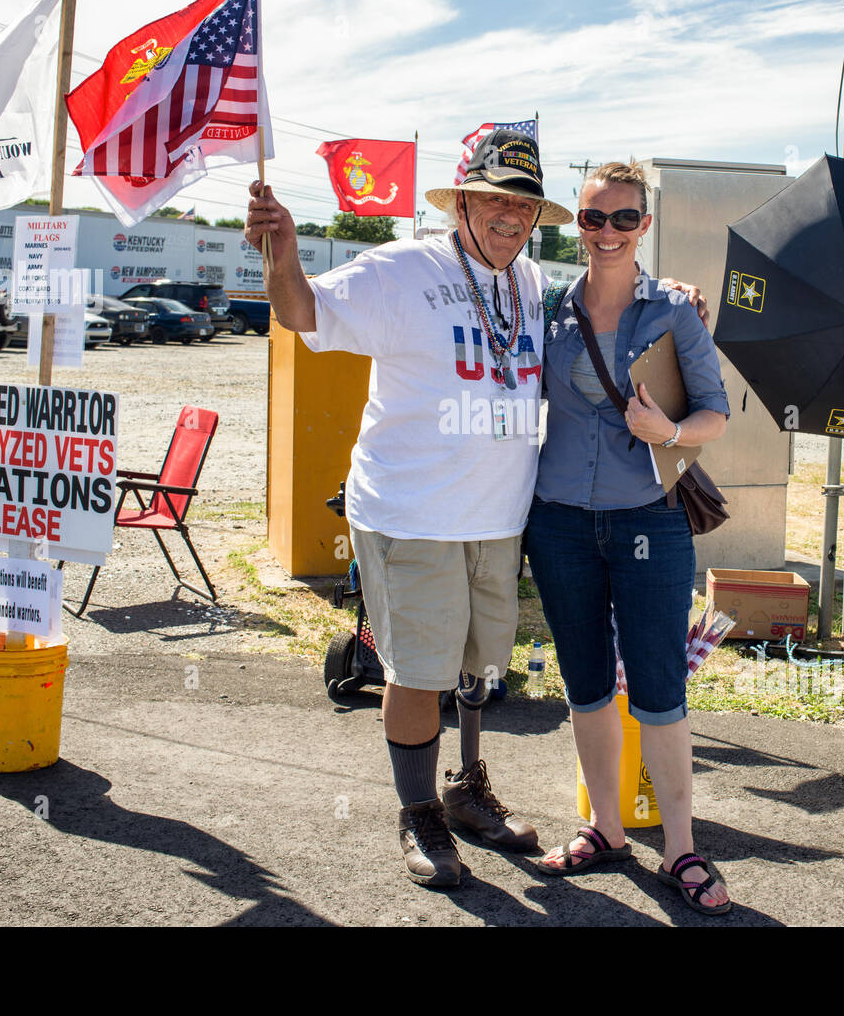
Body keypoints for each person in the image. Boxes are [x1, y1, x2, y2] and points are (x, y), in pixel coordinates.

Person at [244, 129, 575, 888]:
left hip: (497, 517)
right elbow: (302, 311)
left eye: (523, 204)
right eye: (493, 199)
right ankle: (418, 813)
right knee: (416, 672)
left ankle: (466, 787)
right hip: (412, 514)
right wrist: (281, 250)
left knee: (479, 668)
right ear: (460, 201)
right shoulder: (402, 268)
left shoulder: (527, 280)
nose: (509, 216)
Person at [525, 161, 734, 915]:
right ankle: (605, 830)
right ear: (575, 224)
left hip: (649, 517)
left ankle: (680, 846)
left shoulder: (673, 310)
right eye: (592, 218)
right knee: (584, 686)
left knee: (658, 692)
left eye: (622, 219)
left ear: (644, 225)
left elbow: (715, 412)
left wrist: (668, 430)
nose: (606, 231)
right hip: (557, 522)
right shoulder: (547, 305)